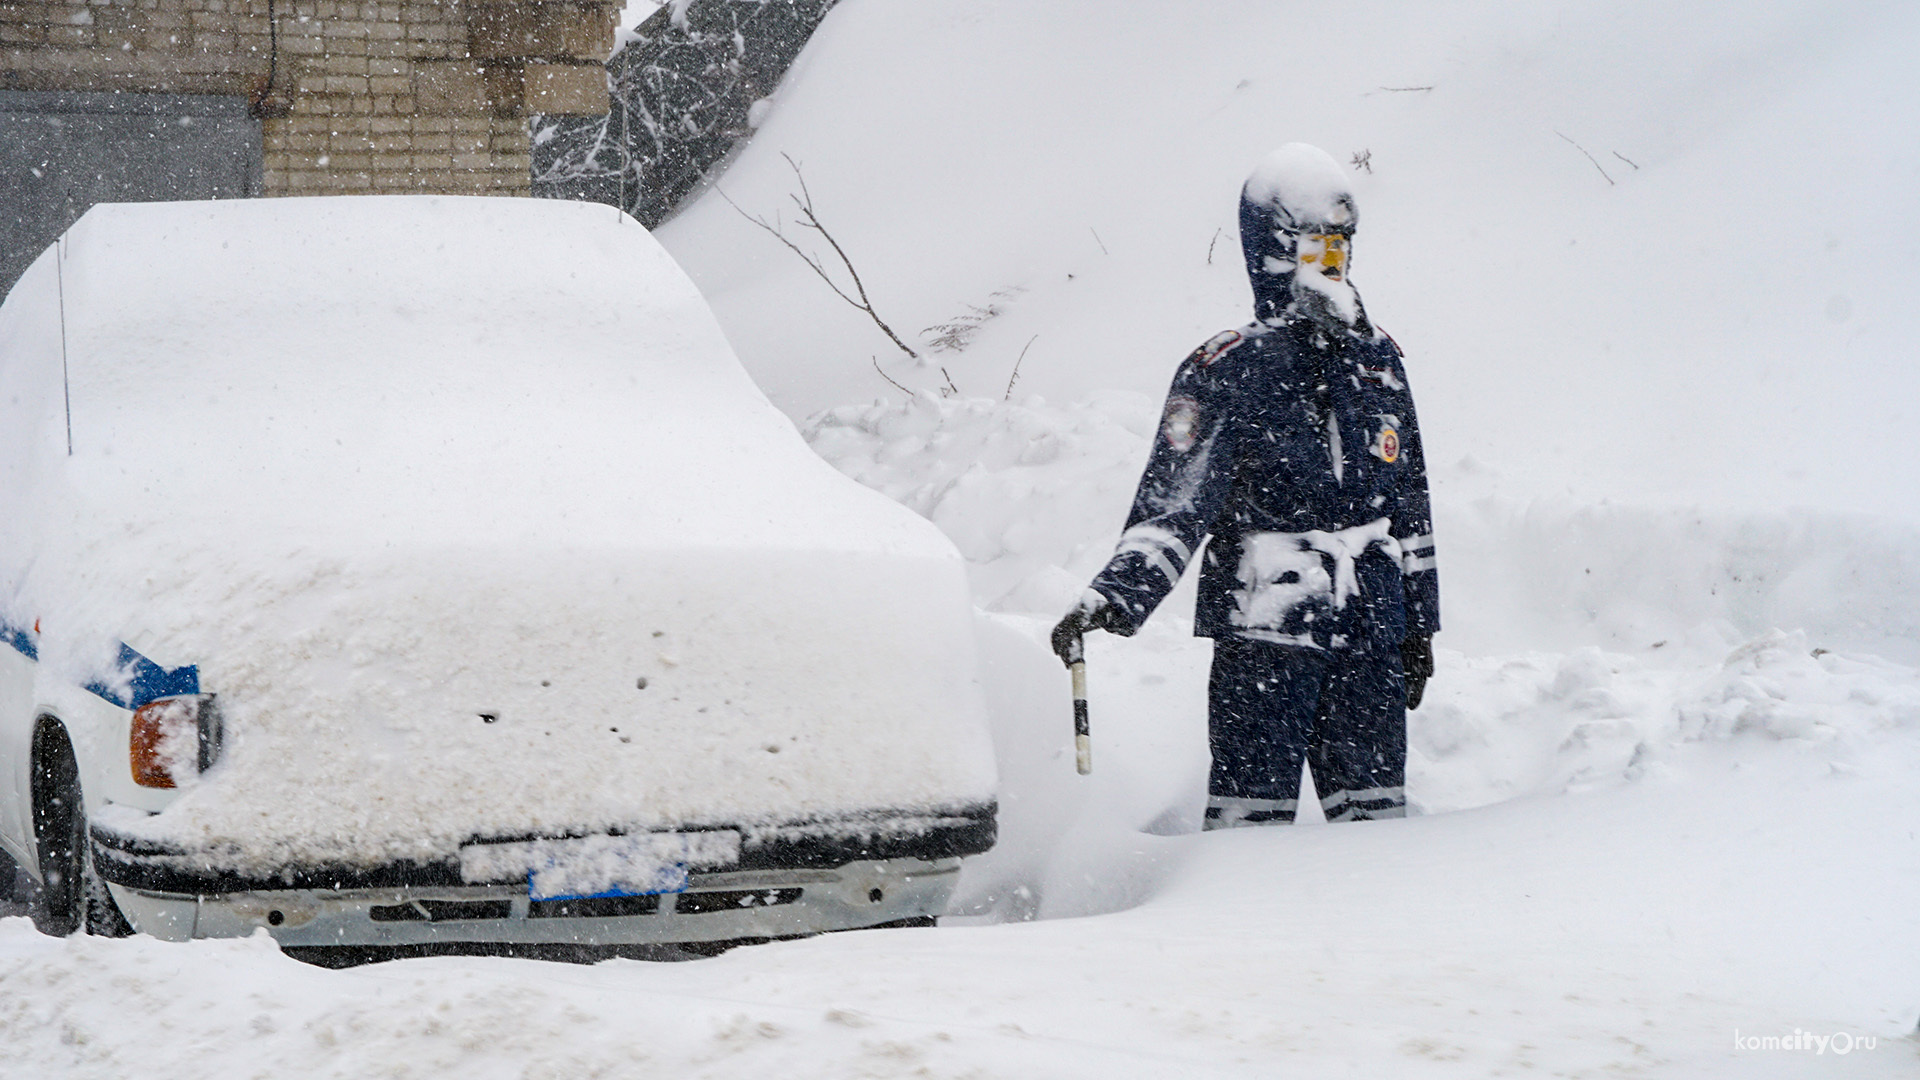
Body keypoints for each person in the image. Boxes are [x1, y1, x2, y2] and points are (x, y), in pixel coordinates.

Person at [1050, 143, 1438, 828]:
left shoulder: (1380, 361)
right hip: (1265, 629)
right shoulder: (1226, 368)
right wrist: (1116, 593)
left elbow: (1409, 500)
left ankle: (1376, 931)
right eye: (1316, 247)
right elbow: (1175, 502)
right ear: (1271, 250)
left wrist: (1416, 624)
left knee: (1379, 827)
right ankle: (1238, 928)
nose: (1332, 265)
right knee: (1249, 825)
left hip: (1371, 631)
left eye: (1340, 249)